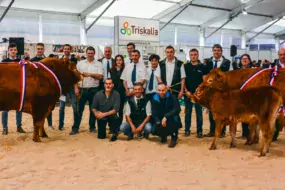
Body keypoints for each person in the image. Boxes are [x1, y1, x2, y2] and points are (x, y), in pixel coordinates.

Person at [71, 46, 103, 135]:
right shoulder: (80, 63)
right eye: (88, 53)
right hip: (82, 89)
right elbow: (75, 77)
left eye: (92, 53)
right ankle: (75, 128)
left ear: (94, 54)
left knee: (93, 109)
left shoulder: (99, 64)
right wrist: (76, 88)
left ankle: (92, 127)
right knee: (78, 110)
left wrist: (90, 74)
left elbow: (100, 76)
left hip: (94, 90)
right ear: (86, 53)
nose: (90, 55)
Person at [204, 44, 231, 138]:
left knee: (222, 112)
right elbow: (205, 76)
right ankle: (212, 131)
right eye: (215, 50)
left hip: (222, 91)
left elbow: (230, 76)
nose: (216, 52)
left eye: (218, 50)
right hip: (211, 92)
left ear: (221, 51)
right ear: (212, 51)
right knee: (212, 112)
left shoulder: (227, 62)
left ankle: (222, 131)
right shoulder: (207, 62)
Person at [1, 43, 25, 135]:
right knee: (4, 110)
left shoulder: (20, 61)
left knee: (19, 108)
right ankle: (5, 128)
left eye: (15, 50)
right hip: (6, 89)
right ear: (8, 51)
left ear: (17, 51)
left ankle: (19, 127)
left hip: (17, 88)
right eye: (11, 50)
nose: (13, 51)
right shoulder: (4, 61)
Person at [30, 43, 54, 131]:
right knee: (35, 108)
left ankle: (50, 125)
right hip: (36, 87)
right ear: (36, 49)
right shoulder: (32, 60)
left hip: (46, 87)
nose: (40, 50)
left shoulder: (48, 60)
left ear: (44, 50)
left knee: (48, 107)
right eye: (38, 48)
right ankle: (35, 126)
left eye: (41, 49)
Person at [184, 48, 207, 138]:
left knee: (199, 113)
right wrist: (186, 91)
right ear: (189, 56)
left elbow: (204, 81)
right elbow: (183, 80)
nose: (193, 56)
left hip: (198, 94)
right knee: (188, 112)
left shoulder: (202, 67)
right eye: (191, 55)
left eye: (195, 55)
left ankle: (199, 131)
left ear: (198, 55)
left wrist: (199, 91)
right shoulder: (186, 67)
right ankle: (187, 130)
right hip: (188, 94)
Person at [150, 83, 181, 148]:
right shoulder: (154, 98)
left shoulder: (172, 97)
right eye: (159, 90)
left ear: (166, 90)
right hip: (161, 117)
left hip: (171, 117)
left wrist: (166, 116)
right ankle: (163, 135)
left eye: (163, 90)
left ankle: (174, 138)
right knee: (153, 130)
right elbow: (153, 112)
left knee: (176, 118)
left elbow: (177, 109)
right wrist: (157, 120)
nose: (161, 92)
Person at [59, 44, 77, 131]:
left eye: (68, 49)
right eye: (65, 49)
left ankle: (75, 125)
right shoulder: (59, 60)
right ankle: (60, 125)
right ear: (63, 50)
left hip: (72, 87)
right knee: (62, 107)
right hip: (63, 88)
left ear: (70, 50)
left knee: (74, 106)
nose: (66, 50)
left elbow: (75, 73)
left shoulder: (74, 60)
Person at [110, 54, 126, 125]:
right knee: (112, 109)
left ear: (122, 61)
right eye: (117, 60)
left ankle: (119, 125)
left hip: (122, 93)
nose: (118, 61)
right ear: (115, 61)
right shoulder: (111, 70)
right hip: (113, 93)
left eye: (120, 60)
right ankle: (112, 126)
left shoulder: (125, 70)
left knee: (120, 110)